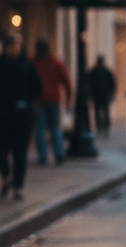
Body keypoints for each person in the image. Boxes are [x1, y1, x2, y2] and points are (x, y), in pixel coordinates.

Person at [0, 32, 42, 202]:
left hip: (22, 114)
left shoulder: (27, 64)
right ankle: (7, 174)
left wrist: (28, 102)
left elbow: (37, 87)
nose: (14, 49)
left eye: (16, 46)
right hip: (3, 113)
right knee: (1, 148)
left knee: (20, 151)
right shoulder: (1, 65)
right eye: (11, 45)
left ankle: (18, 185)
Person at [32, 39, 72, 165]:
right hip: (54, 100)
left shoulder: (34, 63)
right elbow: (67, 82)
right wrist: (68, 99)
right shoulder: (56, 63)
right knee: (55, 128)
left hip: (39, 101)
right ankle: (59, 153)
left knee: (40, 129)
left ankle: (43, 156)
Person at [88, 55, 116, 133]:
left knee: (101, 111)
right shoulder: (105, 72)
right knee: (104, 111)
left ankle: (102, 126)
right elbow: (112, 84)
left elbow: (112, 84)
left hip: (99, 95)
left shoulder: (95, 72)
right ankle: (103, 126)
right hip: (102, 95)